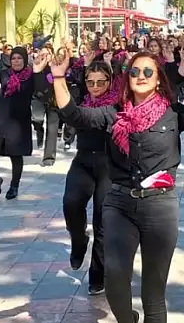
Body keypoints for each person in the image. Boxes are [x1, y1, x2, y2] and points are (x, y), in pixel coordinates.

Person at [49, 46, 184, 323]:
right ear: (126, 79)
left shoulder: (172, 113)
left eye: (148, 71)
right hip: (119, 203)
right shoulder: (113, 113)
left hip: (160, 206)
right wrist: (58, 77)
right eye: (135, 71)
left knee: (153, 291)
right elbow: (75, 115)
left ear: (159, 79)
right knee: (114, 276)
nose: (141, 76)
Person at [63, 56, 122, 296]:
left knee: (102, 219)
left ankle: (97, 276)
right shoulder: (81, 100)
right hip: (83, 161)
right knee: (71, 203)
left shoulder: (116, 104)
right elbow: (67, 110)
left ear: (110, 81)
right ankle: (78, 241)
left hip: (108, 166)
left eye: (101, 82)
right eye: (91, 82)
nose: (95, 87)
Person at [0, 47, 49, 200]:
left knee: (15, 154)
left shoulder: (31, 76)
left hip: (19, 120)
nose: (16, 61)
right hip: (1, 117)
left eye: (19, 58)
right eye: (13, 58)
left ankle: (14, 186)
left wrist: (37, 71)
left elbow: (41, 90)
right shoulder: (4, 73)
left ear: (24, 60)